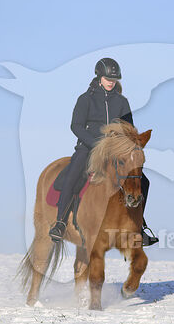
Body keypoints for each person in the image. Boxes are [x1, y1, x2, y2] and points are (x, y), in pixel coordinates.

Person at [49, 58, 158, 246]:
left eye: (114, 79)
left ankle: (139, 226)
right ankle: (60, 223)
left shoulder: (122, 102)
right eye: (108, 78)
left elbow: (129, 128)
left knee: (143, 181)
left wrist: (127, 144)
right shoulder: (86, 99)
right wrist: (94, 143)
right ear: (99, 76)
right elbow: (76, 126)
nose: (111, 81)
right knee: (72, 176)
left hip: (115, 152)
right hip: (88, 148)